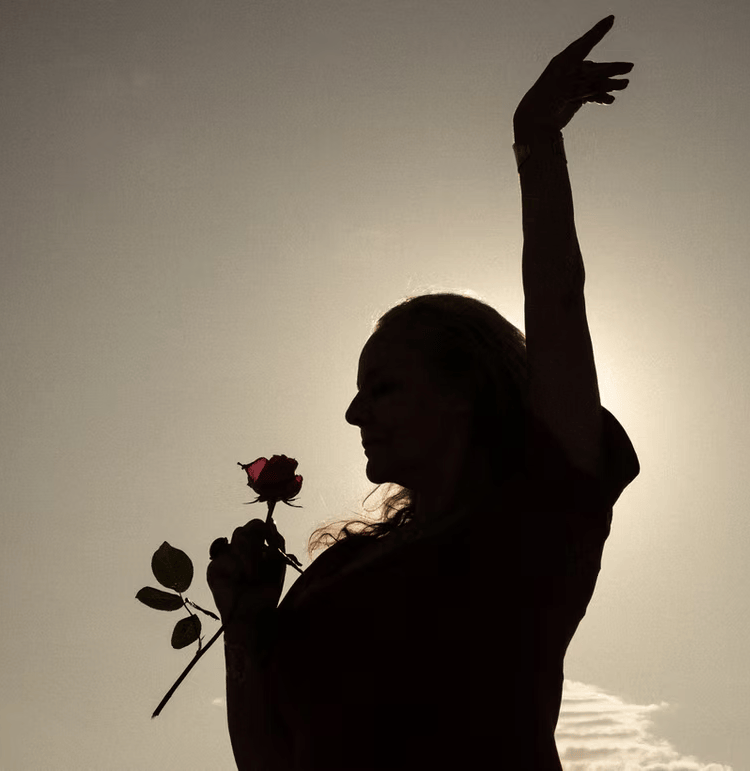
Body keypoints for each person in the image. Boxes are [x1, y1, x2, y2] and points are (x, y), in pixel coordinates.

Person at [207, 15, 638, 770]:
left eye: (383, 387)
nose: (353, 412)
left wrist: (535, 139)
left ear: (463, 389)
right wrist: (243, 631)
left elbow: (558, 298)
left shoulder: (536, 515)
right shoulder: (335, 571)